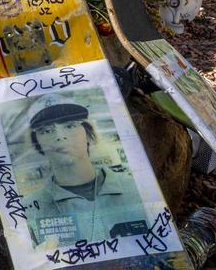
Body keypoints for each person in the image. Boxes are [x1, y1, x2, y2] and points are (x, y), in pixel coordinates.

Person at [23, 103, 149, 247]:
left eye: (69, 126)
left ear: (88, 134)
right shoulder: (29, 209)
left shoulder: (137, 188)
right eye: (46, 131)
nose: (59, 136)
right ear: (37, 144)